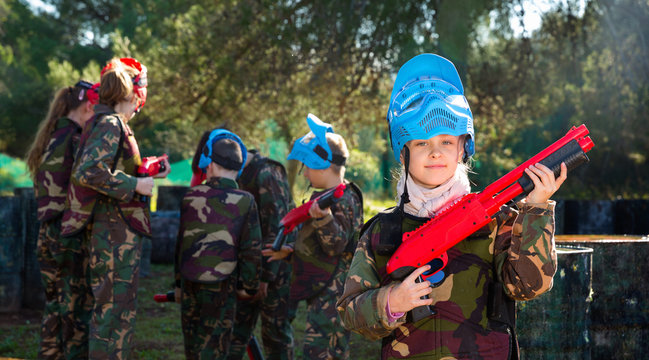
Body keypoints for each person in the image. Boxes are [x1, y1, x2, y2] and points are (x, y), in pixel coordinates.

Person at [336, 53, 565, 359]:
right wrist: (394, 301)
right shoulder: (382, 233)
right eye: (421, 142)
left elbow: (529, 286)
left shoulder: (496, 221)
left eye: (446, 141)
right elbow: (350, 311)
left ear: (462, 148)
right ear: (403, 153)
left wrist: (535, 209)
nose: (435, 152)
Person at [60, 57, 170, 359]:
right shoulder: (110, 123)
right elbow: (88, 171)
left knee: (116, 313)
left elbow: (104, 169)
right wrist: (135, 186)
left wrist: (147, 174)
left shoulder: (109, 122)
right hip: (112, 234)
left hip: (115, 231)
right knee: (112, 315)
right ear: (133, 92)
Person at [263, 114, 363, 360]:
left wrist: (323, 218)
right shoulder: (326, 197)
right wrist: (290, 253)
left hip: (335, 294)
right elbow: (317, 247)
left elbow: (336, 245)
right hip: (321, 290)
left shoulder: (344, 198)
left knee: (324, 353)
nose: (305, 174)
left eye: (307, 166)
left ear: (322, 164)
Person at [26, 80, 98, 359]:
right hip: (68, 235)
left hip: (46, 234)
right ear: (89, 106)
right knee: (77, 312)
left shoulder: (49, 138)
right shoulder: (77, 140)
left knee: (55, 307)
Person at [176, 129, 262, 359]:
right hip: (223, 285)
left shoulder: (190, 196)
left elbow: (181, 244)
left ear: (209, 164)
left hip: (189, 282)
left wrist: (177, 284)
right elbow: (251, 249)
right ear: (240, 168)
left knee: (192, 344)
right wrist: (250, 286)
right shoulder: (245, 200)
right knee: (216, 345)